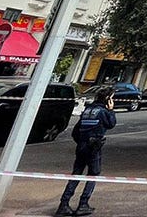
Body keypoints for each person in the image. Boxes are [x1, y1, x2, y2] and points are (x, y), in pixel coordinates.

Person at [56, 86, 117, 217]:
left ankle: (63, 204)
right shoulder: (103, 112)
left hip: (82, 146)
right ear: (108, 99)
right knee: (93, 174)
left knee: (76, 174)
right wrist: (111, 111)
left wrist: (82, 142)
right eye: (112, 98)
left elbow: (75, 132)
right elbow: (111, 124)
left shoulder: (87, 110)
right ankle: (83, 204)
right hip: (94, 146)